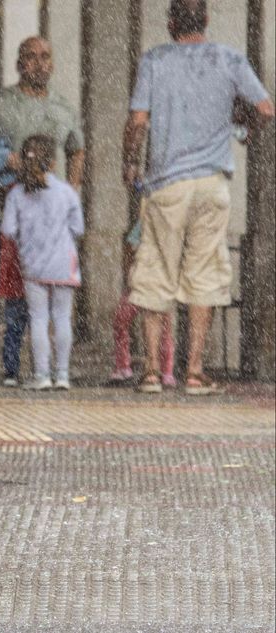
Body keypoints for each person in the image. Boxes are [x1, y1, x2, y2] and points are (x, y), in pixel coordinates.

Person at [122, 0, 273, 395]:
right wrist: (240, 124)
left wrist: (130, 164)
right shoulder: (229, 58)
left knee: (155, 270)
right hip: (212, 182)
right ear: (206, 20)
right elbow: (266, 108)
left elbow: (137, 121)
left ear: (170, 22)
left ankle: (153, 371)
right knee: (204, 272)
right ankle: (194, 371)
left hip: (166, 184)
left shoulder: (154, 60)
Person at [0, 36, 84, 387]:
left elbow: (77, 149)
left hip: (49, 222)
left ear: (53, 63)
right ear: (19, 63)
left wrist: (73, 192)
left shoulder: (64, 107)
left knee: (44, 296)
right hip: (1, 208)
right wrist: (8, 160)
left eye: (45, 57)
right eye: (31, 57)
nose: (39, 63)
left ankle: (47, 368)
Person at [0, 135, 84, 391]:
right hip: (63, 264)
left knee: (38, 319)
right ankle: (63, 374)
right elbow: (78, 228)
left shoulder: (16, 194)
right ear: (54, 161)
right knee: (62, 318)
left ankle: (41, 374)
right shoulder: (67, 192)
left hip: (33, 265)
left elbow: (8, 229)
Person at [109, 216, 176, 387]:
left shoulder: (147, 220)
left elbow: (130, 248)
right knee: (164, 327)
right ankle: (166, 371)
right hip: (158, 283)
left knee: (121, 321)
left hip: (142, 282)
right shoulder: (169, 221)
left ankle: (125, 365)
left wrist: (129, 273)